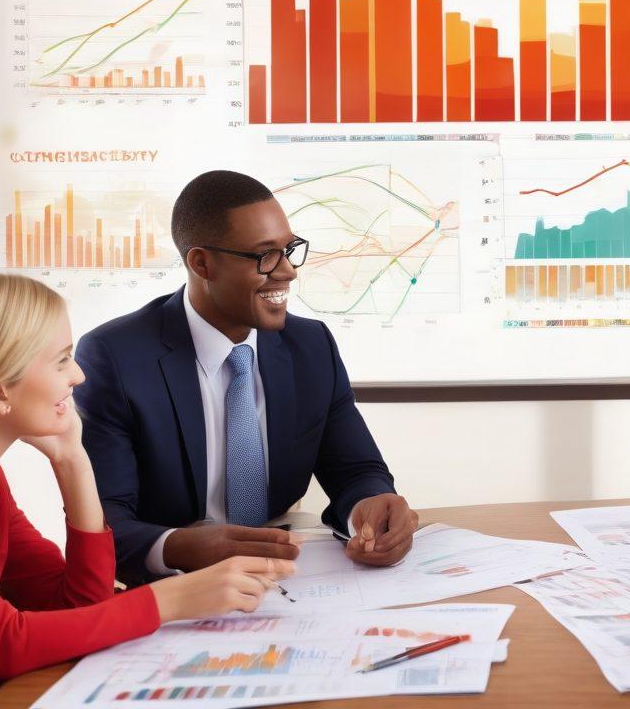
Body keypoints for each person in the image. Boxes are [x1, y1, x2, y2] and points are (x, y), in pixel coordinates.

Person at [0, 273, 293, 707]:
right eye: (61, 361)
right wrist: (170, 599)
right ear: (0, 394)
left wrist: (72, 460)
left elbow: (74, 604)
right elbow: (3, 645)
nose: (78, 375)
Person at [76, 171, 417, 585]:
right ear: (202, 263)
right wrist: (183, 545)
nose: (288, 271)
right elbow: (103, 522)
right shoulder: (116, 356)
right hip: (177, 587)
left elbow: (355, 468)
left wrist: (370, 504)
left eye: (289, 250)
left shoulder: (311, 346)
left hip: (290, 577)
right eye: (265, 256)